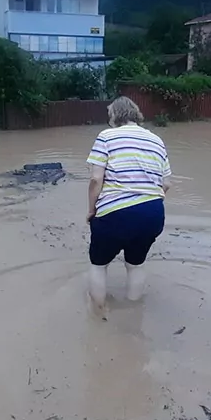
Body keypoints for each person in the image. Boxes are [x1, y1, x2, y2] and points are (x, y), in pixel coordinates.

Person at [85, 96, 172, 315]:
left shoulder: (106, 137)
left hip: (114, 214)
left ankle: (99, 314)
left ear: (115, 115)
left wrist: (91, 210)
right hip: (152, 214)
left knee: (99, 264)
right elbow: (166, 183)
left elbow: (96, 179)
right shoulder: (156, 140)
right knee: (135, 265)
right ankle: (133, 313)